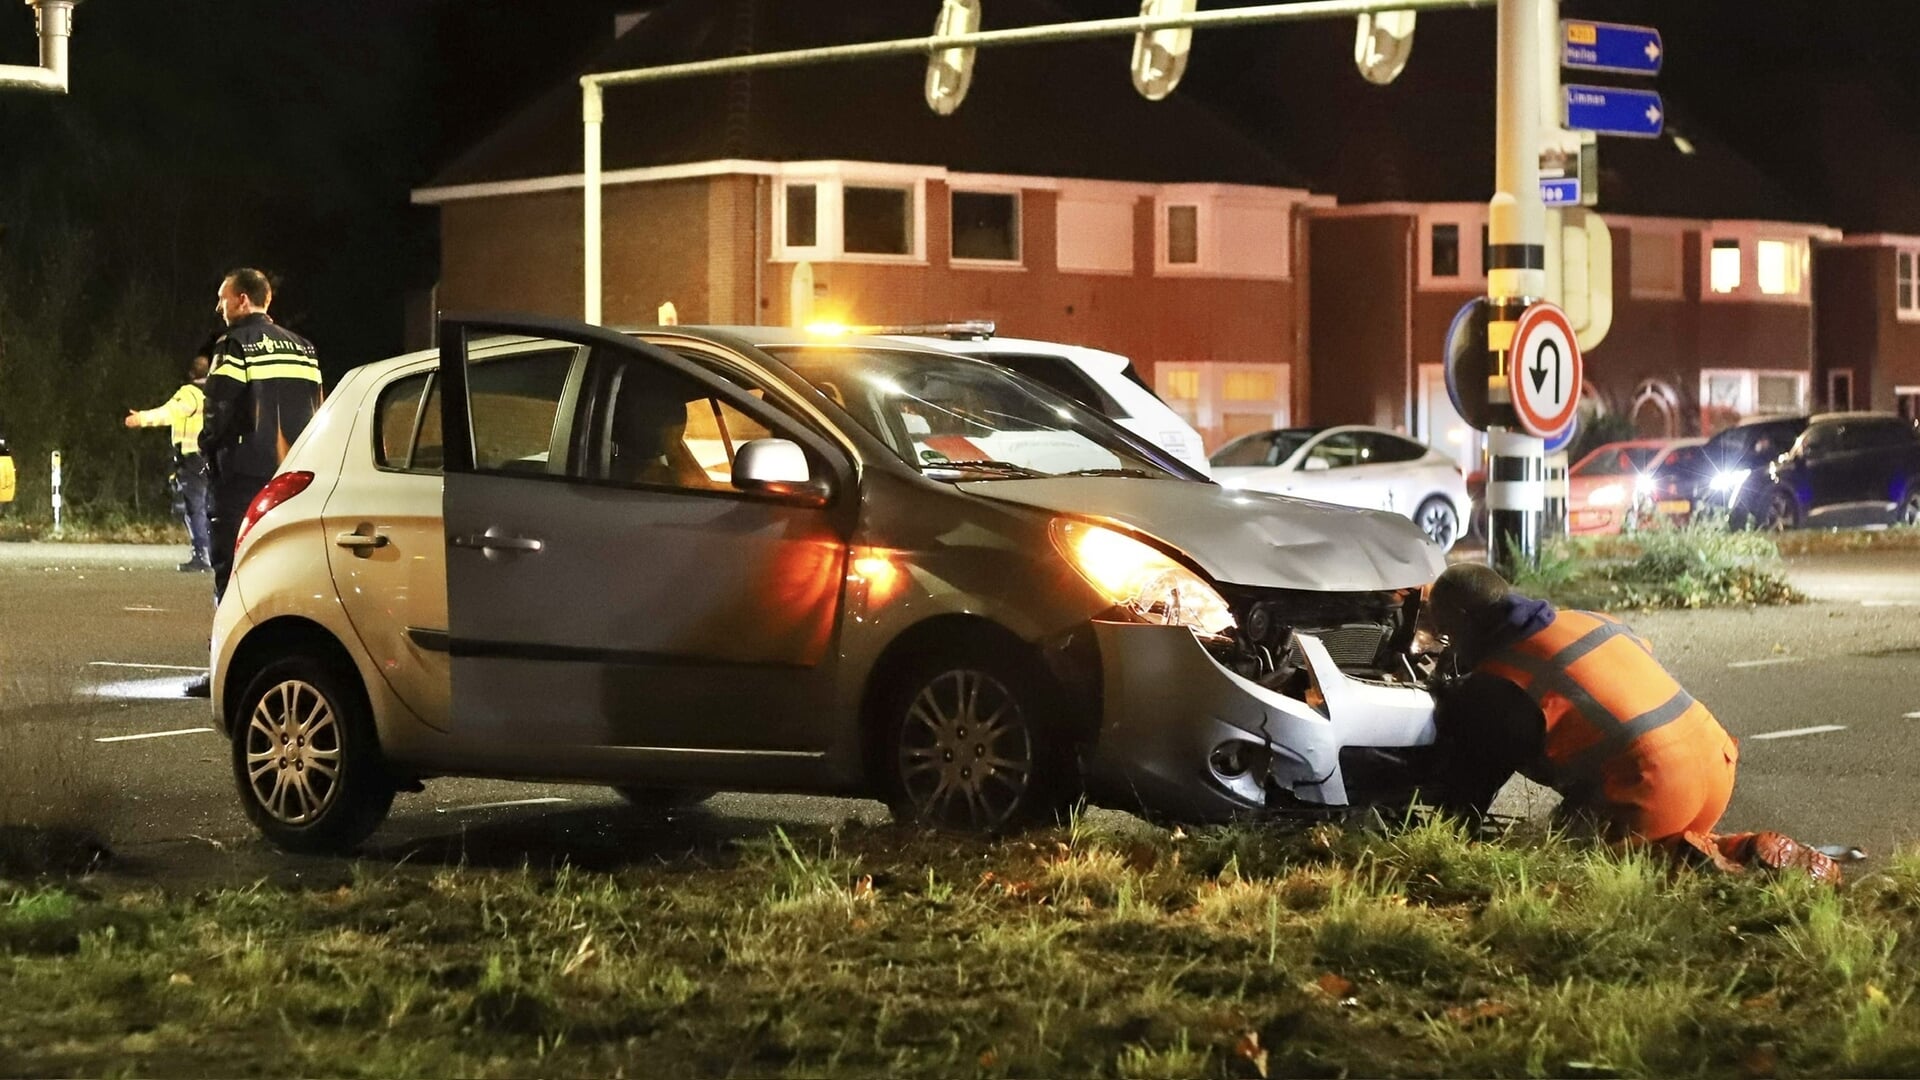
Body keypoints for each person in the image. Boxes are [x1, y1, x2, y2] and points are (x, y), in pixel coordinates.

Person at [1422, 563, 1840, 881]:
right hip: (1715, 762)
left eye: (1444, 634)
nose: (1445, 645)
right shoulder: (1587, 619)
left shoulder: (1503, 680)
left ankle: (1719, 861)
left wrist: (1441, 839)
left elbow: (1467, 790)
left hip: (1653, 785)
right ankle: (1729, 848)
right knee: (1614, 827)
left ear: (1463, 619)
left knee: (1556, 859)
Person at [185, 268, 323, 698]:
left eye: (223, 298)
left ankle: (224, 669)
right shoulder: (305, 349)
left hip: (243, 476)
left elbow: (220, 406)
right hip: (295, 479)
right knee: (290, 573)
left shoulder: (234, 344)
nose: (219, 308)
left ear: (243, 300)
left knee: (232, 569)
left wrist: (208, 449)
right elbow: (318, 409)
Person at [125, 344, 214, 572]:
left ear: (191, 374)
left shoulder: (190, 393)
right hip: (211, 458)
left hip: (192, 459)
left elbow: (170, 413)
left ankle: (201, 555)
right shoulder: (215, 394)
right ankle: (214, 553)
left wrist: (142, 419)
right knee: (209, 507)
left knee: (193, 508)